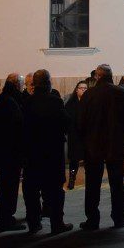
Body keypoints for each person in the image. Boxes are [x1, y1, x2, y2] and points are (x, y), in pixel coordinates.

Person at [78, 64, 124, 229]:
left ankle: (92, 219)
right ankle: (118, 217)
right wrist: (123, 138)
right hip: (115, 145)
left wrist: (85, 141)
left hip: (93, 145)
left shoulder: (89, 95)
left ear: (97, 76)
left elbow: (80, 121)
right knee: (117, 183)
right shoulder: (122, 93)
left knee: (92, 184)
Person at [23, 69, 74, 235]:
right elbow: (66, 122)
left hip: (32, 152)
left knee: (31, 189)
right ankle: (56, 223)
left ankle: (34, 223)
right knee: (55, 190)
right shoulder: (55, 101)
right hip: (52, 151)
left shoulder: (27, 102)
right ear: (48, 82)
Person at [0, 74, 26, 231]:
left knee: (7, 186)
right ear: (16, 84)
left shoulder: (5, 99)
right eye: (21, 84)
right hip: (9, 152)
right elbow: (16, 125)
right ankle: (4, 218)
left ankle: (5, 216)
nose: (23, 87)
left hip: (6, 150)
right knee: (8, 186)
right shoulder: (9, 101)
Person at [64, 81, 88, 189]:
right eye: (81, 88)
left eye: (85, 88)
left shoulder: (90, 102)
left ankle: (90, 178)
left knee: (88, 158)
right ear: (76, 89)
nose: (83, 90)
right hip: (75, 136)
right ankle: (72, 179)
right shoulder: (70, 103)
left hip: (87, 136)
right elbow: (68, 120)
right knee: (74, 160)